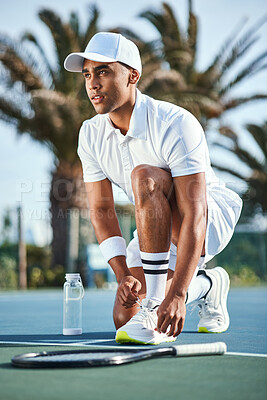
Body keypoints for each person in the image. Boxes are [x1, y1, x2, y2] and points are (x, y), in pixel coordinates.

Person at [64, 32, 242, 344]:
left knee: (143, 176)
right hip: (153, 224)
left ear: (132, 75)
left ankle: (160, 299)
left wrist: (176, 294)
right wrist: (123, 277)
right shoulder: (89, 133)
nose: (93, 83)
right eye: (88, 74)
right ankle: (210, 285)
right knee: (124, 317)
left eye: (103, 71)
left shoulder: (175, 123)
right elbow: (102, 211)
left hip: (207, 215)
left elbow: (195, 215)